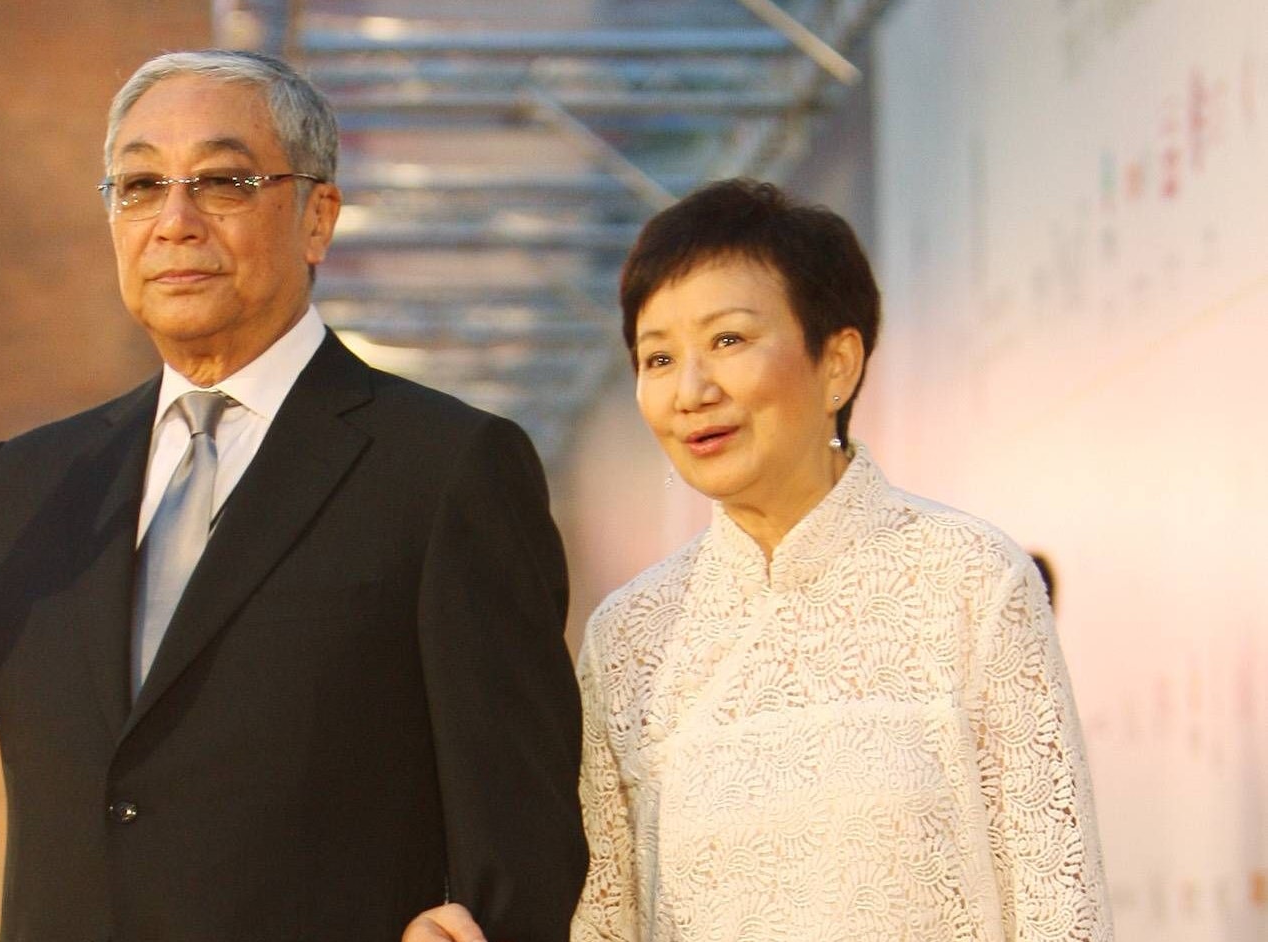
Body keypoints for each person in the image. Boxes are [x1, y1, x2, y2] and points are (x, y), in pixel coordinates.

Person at [0, 50, 587, 941]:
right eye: (139, 186)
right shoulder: (33, 483)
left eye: (225, 182)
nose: (176, 220)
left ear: (318, 218)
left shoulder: (444, 467)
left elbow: (518, 823)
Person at [407, 179, 1111, 941]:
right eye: (658, 357)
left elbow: (1059, 908)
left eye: (729, 341)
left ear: (836, 362)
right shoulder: (631, 635)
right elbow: (604, 921)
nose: (691, 390)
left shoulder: (972, 579)